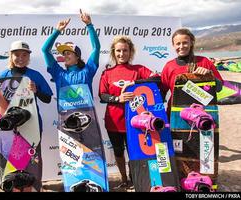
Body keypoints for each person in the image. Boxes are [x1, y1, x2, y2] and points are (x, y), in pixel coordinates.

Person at [98, 35, 158, 189]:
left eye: (125, 50)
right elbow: (102, 95)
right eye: (118, 51)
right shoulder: (107, 73)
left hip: (136, 122)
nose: (121, 54)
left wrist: (135, 83)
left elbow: (157, 79)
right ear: (113, 52)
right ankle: (124, 180)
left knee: (135, 154)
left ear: (130, 52)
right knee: (118, 152)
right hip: (114, 122)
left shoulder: (138, 69)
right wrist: (119, 98)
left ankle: (137, 179)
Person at [0, 40, 53, 192]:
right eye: (17, 54)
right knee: (12, 158)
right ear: (10, 56)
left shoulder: (34, 75)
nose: (21, 58)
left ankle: (33, 186)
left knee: (32, 158)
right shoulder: (3, 76)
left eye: (24, 55)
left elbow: (47, 99)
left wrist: (36, 90)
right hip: (10, 126)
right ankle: (15, 187)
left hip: (31, 124)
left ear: (28, 57)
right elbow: (2, 106)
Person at [160, 28, 223, 117]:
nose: (181, 46)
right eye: (178, 43)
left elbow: (219, 88)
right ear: (173, 45)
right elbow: (162, 92)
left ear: (191, 43)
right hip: (176, 115)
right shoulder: (169, 66)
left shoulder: (204, 62)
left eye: (185, 42)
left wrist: (209, 76)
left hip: (202, 115)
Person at [41, 9, 100, 100]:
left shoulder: (87, 72)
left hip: (87, 114)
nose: (65, 56)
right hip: (65, 114)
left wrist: (89, 25)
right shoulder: (58, 73)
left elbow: (96, 48)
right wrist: (57, 31)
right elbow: (45, 50)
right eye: (64, 54)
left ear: (77, 57)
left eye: (68, 53)